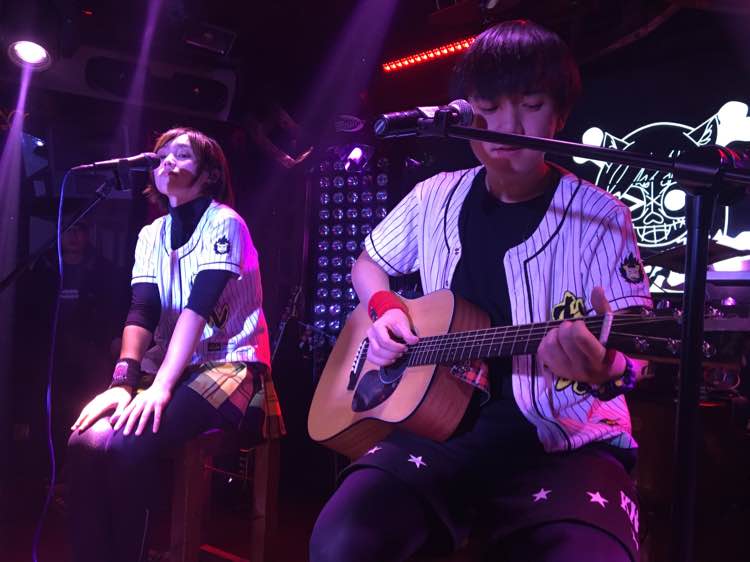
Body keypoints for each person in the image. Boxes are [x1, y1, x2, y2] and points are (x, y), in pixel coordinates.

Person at [309, 20, 651, 562]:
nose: (505, 127)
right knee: (342, 542)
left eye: (530, 105)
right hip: (437, 433)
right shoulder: (433, 196)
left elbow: (636, 355)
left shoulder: (601, 216)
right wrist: (385, 309)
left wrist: (606, 368)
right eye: (487, 107)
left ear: (560, 115)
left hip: (563, 443)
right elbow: (368, 264)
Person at [66, 127, 283, 562]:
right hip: (173, 364)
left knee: (128, 443)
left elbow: (197, 309)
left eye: (181, 154)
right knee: (84, 443)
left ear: (210, 174)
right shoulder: (152, 233)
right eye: (161, 154)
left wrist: (161, 387)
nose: (165, 160)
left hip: (230, 366)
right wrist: (123, 381)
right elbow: (142, 311)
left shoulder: (225, 222)